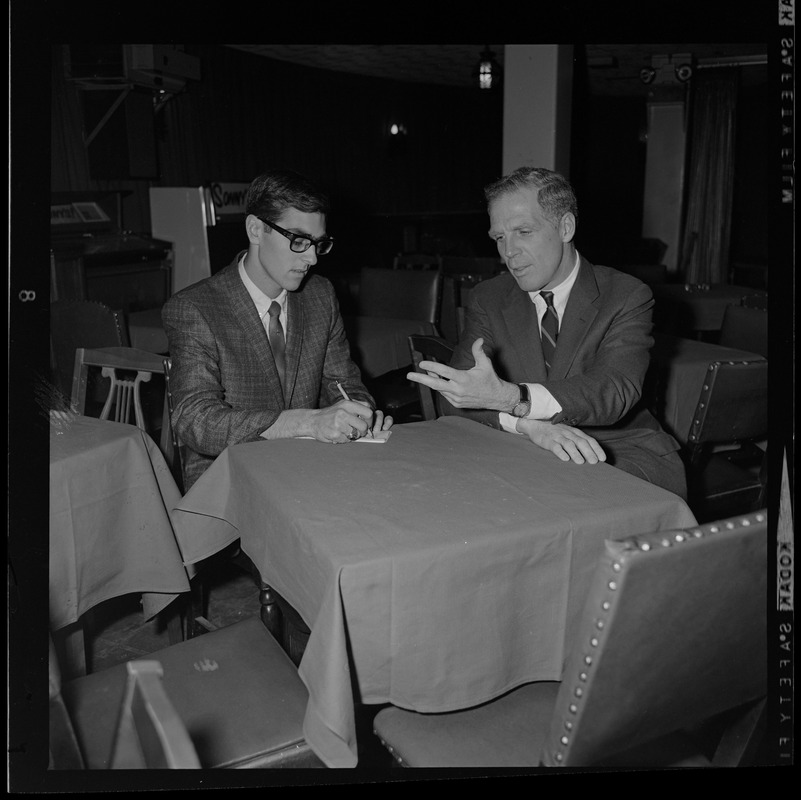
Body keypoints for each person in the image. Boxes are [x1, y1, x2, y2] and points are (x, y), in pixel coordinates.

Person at [408, 166, 686, 499]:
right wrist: (527, 424)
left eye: (523, 231)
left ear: (565, 227)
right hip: (520, 448)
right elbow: (457, 398)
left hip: (615, 448)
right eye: (499, 237)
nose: (508, 251)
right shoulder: (489, 297)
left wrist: (514, 399)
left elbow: (614, 390)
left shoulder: (625, 295)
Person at [163, 168, 392, 490]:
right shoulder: (196, 308)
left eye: (319, 243)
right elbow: (196, 421)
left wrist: (359, 413)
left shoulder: (321, 295)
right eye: (299, 240)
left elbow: (342, 382)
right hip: (229, 478)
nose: (312, 258)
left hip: (310, 465)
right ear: (256, 229)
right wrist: (308, 422)